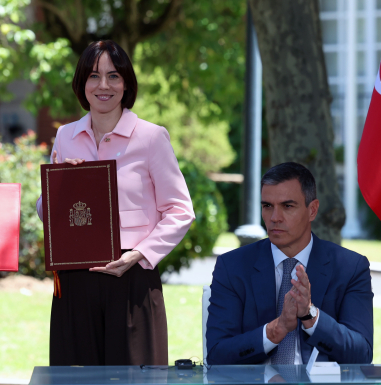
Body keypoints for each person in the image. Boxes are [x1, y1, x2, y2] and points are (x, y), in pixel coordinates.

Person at [36, 40, 195, 366]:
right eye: (94, 76)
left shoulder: (151, 137)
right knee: (76, 377)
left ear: (126, 84)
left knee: (134, 379)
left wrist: (140, 254)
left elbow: (180, 211)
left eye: (113, 76)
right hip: (75, 281)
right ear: (82, 83)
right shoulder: (66, 136)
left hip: (132, 278)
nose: (103, 85)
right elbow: (46, 211)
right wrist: (62, 185)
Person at [206, 162, 373, 364]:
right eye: (267, 206)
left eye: (287, 206)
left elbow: (361, 353)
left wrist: (311, 316)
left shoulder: (350, 267)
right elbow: (217, 354)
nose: (275, 218)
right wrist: (275, 330)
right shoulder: (232, 266)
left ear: (312, 210)